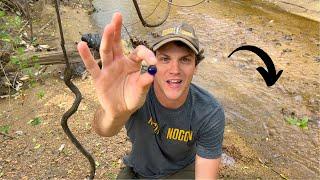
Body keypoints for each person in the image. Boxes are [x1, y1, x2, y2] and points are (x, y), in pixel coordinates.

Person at [77, 12, 225, 179]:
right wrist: (115, 113)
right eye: (165, 59)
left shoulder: (209, 112)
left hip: (181, 171)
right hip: (138, 170)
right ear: (153, 62)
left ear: (195, 67)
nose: (175, 70)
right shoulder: (135, 89)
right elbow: (102, 130)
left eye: (185, 60)